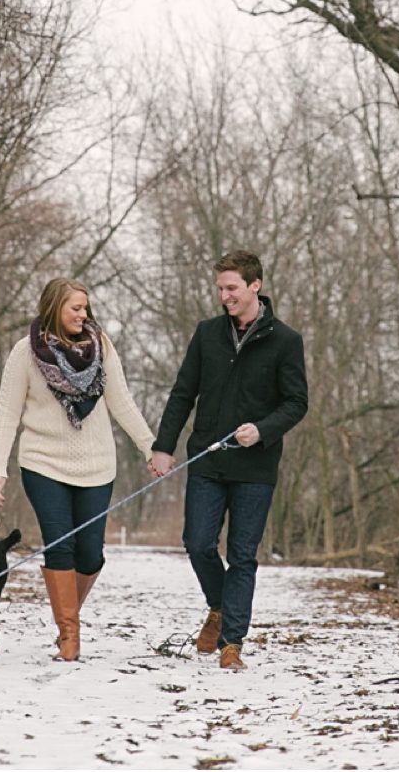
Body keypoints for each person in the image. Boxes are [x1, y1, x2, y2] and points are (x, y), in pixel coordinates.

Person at [147, 250, 308, 671]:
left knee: (241, 554)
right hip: (207, 458)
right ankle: (218, 607)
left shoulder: (286, 341)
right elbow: (184, 393)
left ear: (255, 285)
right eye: (220, 288)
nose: (224, 296)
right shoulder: (207, 334)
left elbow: (296, 402)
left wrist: (264, 429)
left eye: (231, 288)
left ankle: (231, 642)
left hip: (256, 466)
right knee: (197, 543)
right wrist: (163, 446)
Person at [0, 276, 156, 662]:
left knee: (91, 554)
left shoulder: (102, 350)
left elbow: (123, 403)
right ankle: (69, 636)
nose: (84, 314)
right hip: (42, 463)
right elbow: (7, 413)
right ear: (54, 309)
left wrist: (151, 448)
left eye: (85, 307)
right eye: (75, 308)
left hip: (97, 465)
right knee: (59, 546)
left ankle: (68, 617)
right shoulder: (25, 353)